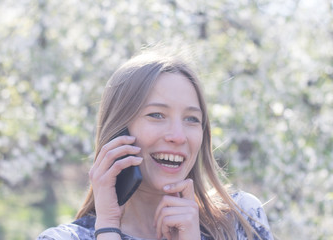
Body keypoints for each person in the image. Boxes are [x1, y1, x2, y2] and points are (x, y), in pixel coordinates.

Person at [37, 48, 274, 240]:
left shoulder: (241, 221)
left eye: (191, 119)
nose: (178, 136)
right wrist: (108, 229)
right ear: (117, 130)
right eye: (157, 115)